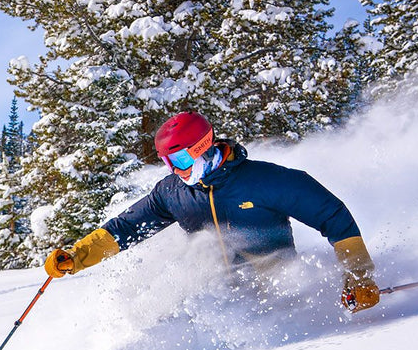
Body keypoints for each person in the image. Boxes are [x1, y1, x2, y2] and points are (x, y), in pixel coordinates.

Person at [44, 110, 381, 311]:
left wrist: (359, 275)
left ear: (202, 148)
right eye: (167, 162)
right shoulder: (173, 193)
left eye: (179, 160)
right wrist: (78, 255)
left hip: (279, 290)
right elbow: (126, 227)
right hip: (219, 296)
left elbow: (333, 216)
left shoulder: (265, 180)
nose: (175, 170)